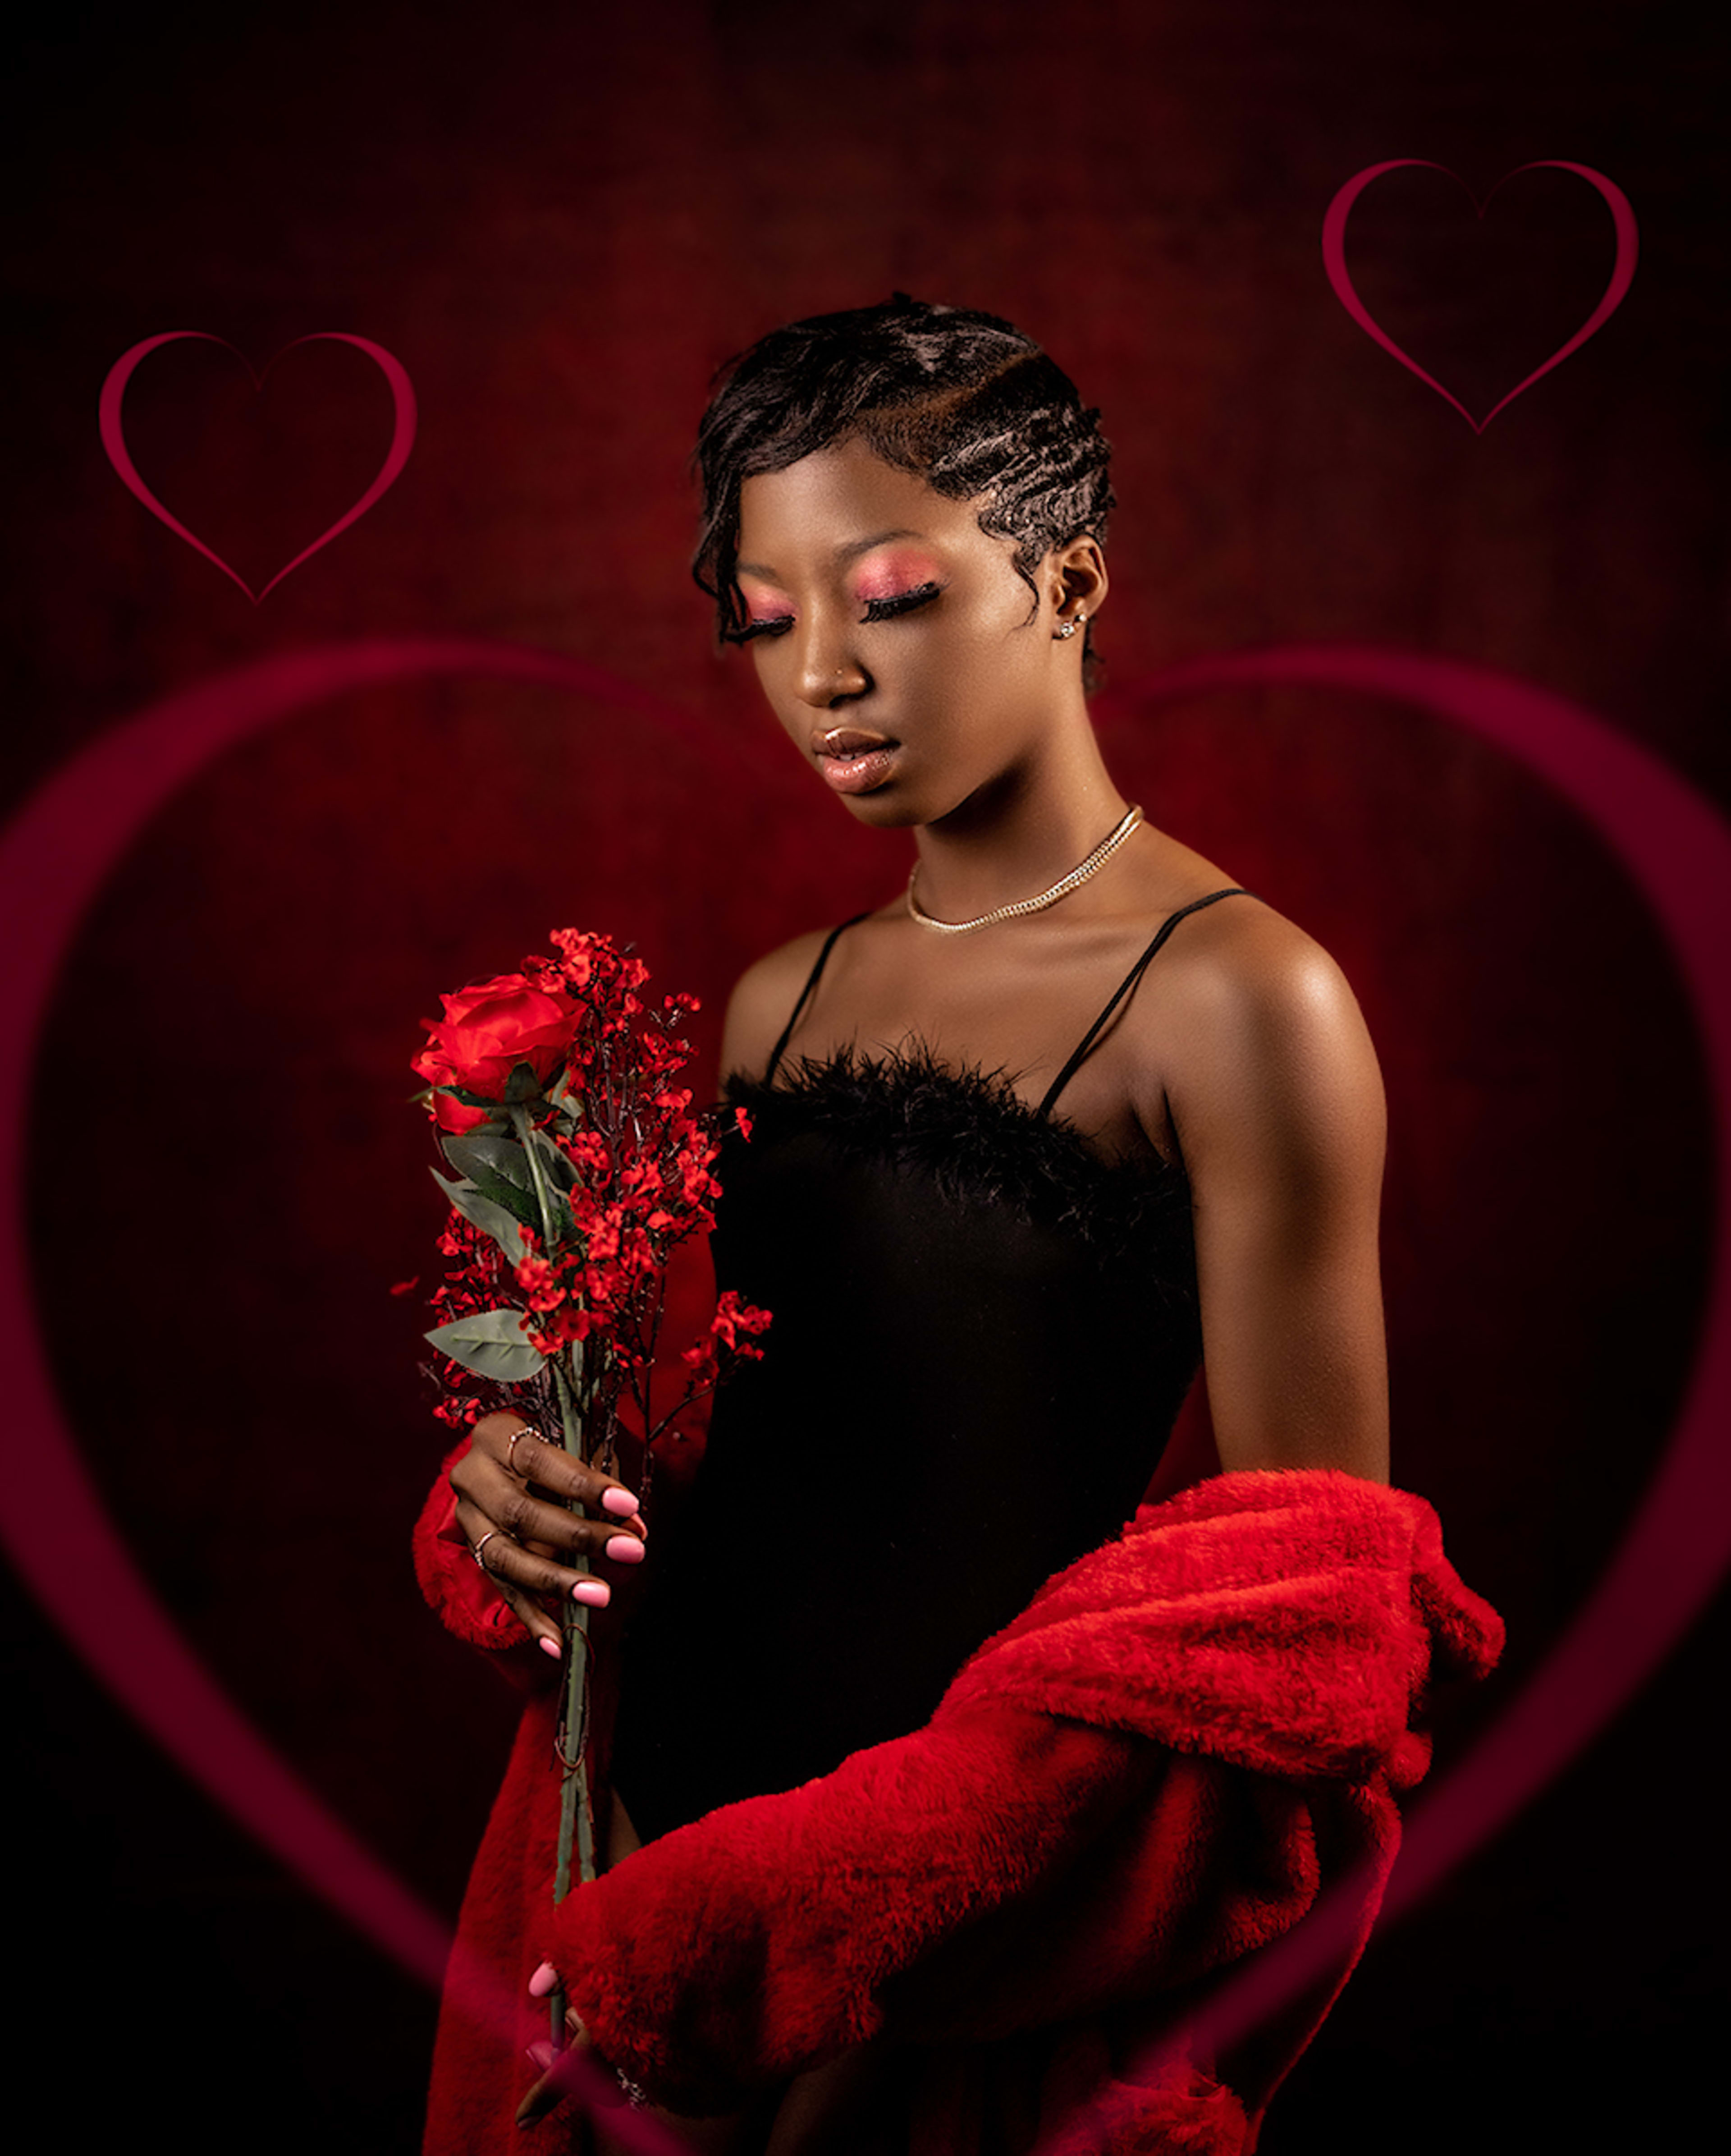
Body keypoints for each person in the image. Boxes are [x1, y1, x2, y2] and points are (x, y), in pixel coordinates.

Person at [412, 295, 1501, 2156]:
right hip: (636, 1862)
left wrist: (826, 1923)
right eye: (764, 619)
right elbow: (754, 1456)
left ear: (1067, 579)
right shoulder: (777, 997)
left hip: (953, 1952)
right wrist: (531, 1481)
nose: (821, 671)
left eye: (891, 594)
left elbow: (1294, 1636)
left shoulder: (1241, 997)